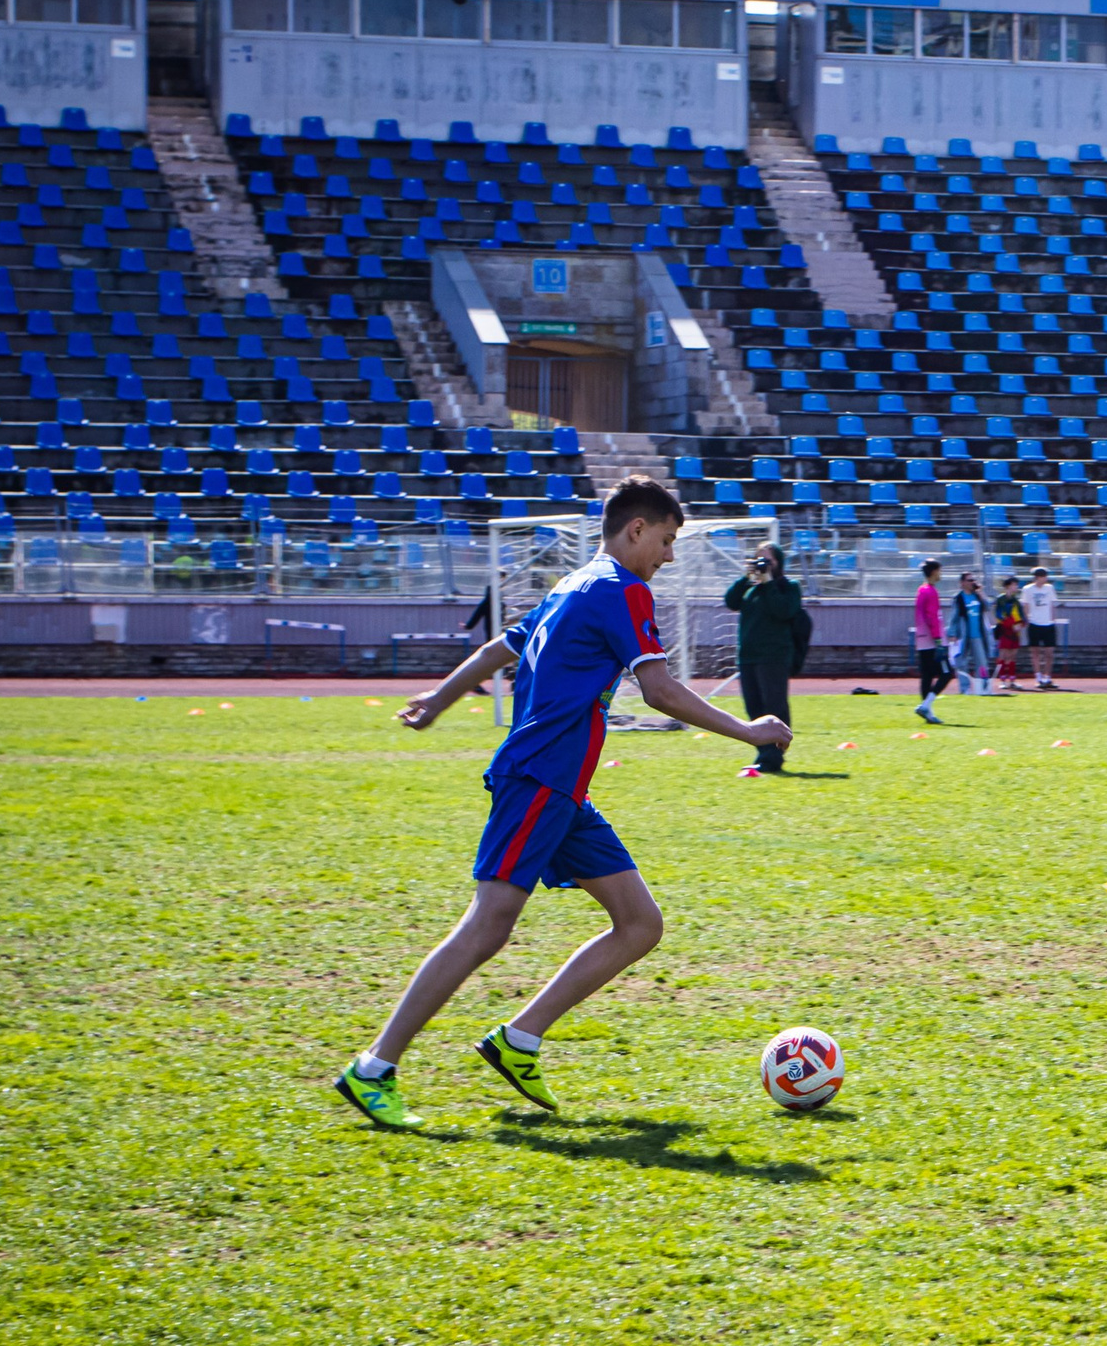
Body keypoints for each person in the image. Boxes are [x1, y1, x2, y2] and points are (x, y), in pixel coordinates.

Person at [333, 480, 792, 1129]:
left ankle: (518, 1040)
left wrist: (439, 698)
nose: (668, 557)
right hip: (540, 779)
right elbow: (658, 690)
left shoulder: (571, 586)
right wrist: (748, 730)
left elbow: (498, 650)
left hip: (562, 789)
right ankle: (374, 1066)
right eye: (666, 541)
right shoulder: (621, 590)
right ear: (636, 529)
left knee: (640, 923)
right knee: (488, 925)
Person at [723, 544, 810, 773]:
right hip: (748, 657)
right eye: (758, 559)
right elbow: (731, 601)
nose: (762, 564)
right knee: (754, 707)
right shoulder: (751, 590)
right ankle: (764, 753)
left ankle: (774, 756)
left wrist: (769, 581)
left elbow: (784, 611)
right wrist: (746, 576)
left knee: (774, 706)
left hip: (774, 657)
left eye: (767, 560)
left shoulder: (789, 587)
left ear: (778, 563)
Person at [912, 559, 949, 723]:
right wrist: (938, 641)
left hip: (922, 640)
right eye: (940, 570)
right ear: (934, 571)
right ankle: (926, 705)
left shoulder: (921, 590)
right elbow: (932, 618)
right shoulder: (931, 592)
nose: (941, 574)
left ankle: (928, 714)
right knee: (947, 673)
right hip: (933, 641)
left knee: (927, 676)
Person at [948, 570, 995, 697]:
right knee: (962, 663)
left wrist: (981, 592)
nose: (972, 583)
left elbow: (988, 607)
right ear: (962, 583)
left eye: (973, 580)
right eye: (969, 580)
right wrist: (952, 633)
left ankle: (983, 687)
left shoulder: (977, 596)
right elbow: (953, 617)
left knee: (982, 663)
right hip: (963, 635)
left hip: (978, 635)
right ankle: (965, 688)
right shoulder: (959, 598)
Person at [1020, 565, 1061, 689]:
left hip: (1048, 624)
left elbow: (1052, 604)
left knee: (1049, 652)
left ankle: (1047, 677)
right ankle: (1038, 677)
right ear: (1037, 577)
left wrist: (1053, 619)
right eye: (1043, 576)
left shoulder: (1049, 588)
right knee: (1035, 652)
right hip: (1034, 623)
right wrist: (1027, 619)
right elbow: (1026, 605)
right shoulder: (1028, 589)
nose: (1045, 578)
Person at [991, 575, 1025, 690]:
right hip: (1005, 631)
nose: (1016, 587)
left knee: (1013, 655)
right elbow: (998, 614)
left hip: (1015, 633)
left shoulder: (1016, 601)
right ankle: (1002, 679)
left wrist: (1020, 624)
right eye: (1014, 585)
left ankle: (1012, 679)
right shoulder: (1000, 599)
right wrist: (1010, 623)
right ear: (1008, 586)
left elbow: (1022, 616)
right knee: (1003, 655)